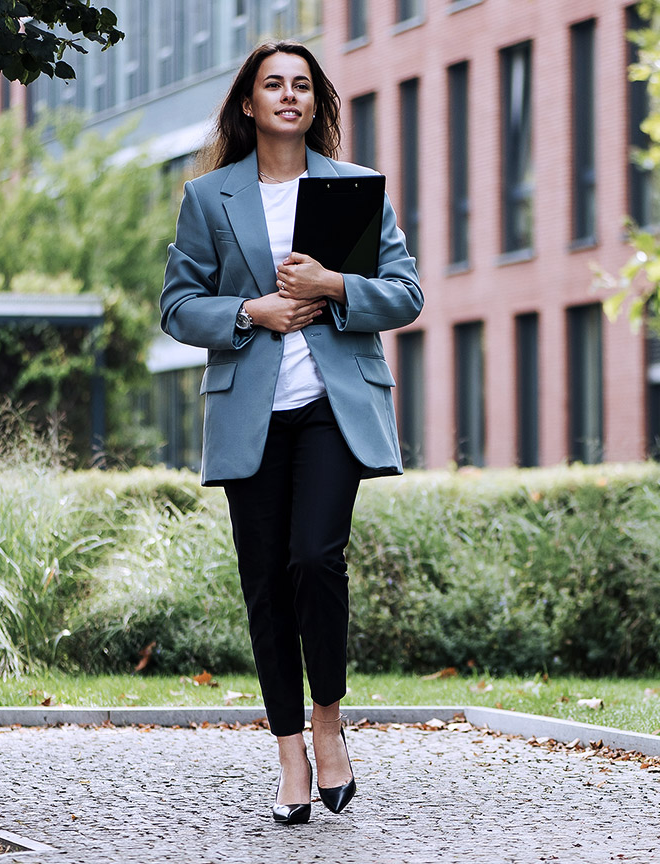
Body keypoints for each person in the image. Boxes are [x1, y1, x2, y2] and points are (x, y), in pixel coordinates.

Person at [160, 40, 422, 825]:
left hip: (332, 409)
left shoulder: (353, 191)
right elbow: (177, 306)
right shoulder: (210, 199)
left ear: (316, 103)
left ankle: (329, 721)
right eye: (273, 84)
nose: (288, 95)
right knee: (265, 582)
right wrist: (252, 312)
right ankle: (288, 751)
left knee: (316, 556)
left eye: (302, 85)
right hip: (250, 412)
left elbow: (405, 293)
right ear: (249, 103)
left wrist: (332, 285)